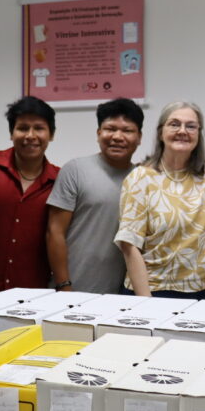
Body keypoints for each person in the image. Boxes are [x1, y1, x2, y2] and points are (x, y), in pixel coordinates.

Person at [114, 101, 205, 298]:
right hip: (155, 290)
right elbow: (129, 245)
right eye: (174, 124)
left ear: (199, 134)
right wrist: (146, 302)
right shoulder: (141, 178)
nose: (182, 131)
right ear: (160, 132)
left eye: (191, 126)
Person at [46, 99, 143, 293]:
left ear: (139, 137)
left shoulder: (143, 178)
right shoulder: (75, 170)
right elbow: (54, 231)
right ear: (99, 133)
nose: (117, 136)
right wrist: (64, 285)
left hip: (123, 293)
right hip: (74, 288)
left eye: (127, 130)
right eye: (110, 129)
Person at [0, 96, 60, 292]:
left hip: (32, 291)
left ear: (51, 134)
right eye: (23, 128)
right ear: (11, 132)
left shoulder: (60, 180)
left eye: (39, 128)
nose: (30, 135)